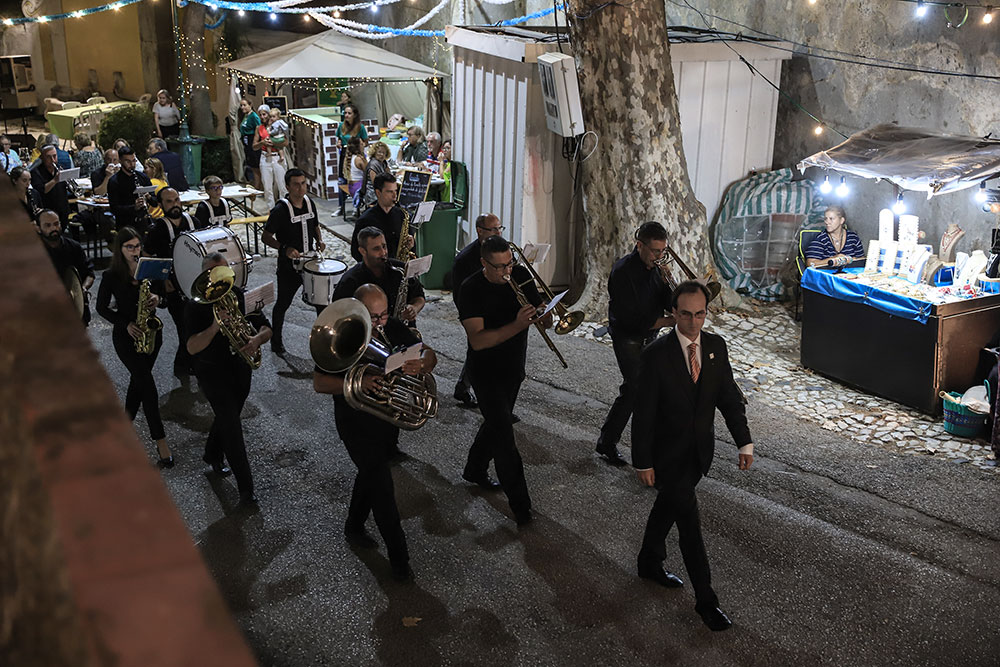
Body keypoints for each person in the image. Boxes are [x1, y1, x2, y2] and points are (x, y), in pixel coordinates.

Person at [632, 280, 753, 632]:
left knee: (667, 508)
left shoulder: (716, 347)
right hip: (666, 457)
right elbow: (643, 413)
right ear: (673, 313)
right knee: (689, 526)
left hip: (699, 454)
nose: (693, 322)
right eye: (686, 314)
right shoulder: (655, 355)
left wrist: (744, 442)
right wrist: (643, 461)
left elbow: (728, 398)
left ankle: (648, 561)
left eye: (700, 314)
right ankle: (706, 602)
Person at [313, 283, 437, 581]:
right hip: (354, 422)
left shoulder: (391, 327)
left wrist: (421, 364)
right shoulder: (343, 335)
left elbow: (429, 353)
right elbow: (319, 383)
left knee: (370, 474)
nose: (380, 322)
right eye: (373, 316)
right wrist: (354, 384)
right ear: (358, 313)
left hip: (385, 420)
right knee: (382, 487)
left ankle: (354, 526)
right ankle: (399, 560)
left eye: (383, 315)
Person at [457, 235, 553, 525]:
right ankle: (521, 506)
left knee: (495, 424)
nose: (506, 272)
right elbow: (479, 340)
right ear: (484, 263)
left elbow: (542, 317)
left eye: (508, 264)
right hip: (485, 372)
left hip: (513, 367)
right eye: (498, 267)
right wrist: (517, 324)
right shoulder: (470, 289)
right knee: (504, 438)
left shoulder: (520, 275)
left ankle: (474, 469)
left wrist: (544, 314)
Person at [186, 252, 272, 505]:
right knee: (232, 425)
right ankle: (246, 489)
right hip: (211, 370)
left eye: (225, 274)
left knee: (228, 416)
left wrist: (256, 340)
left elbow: (266, 328)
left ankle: (212, 453)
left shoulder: (241, 295)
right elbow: (191, 347)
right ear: (205, 276)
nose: (222, 281)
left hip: (239, 367)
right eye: (215, 275)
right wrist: (215, 326)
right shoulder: (194, 305)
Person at [597, 221, 676, 466]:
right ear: (639, 245)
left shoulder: (656, 268)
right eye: (655, 251)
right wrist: (666, 321)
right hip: (628, 337)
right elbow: (632, 318)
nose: (660, 256)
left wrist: (671, 284)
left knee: (635, 392)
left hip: (649, 338)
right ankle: (635, 451)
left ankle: (608, 442)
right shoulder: (623, 271)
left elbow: (666, 301)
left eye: (663, 251)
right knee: (638, 391)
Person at [95, 226, 174, 467]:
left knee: (138, 383)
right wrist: (126, 323)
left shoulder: (150, 269)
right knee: (146, 385)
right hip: (126, 336)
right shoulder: (111, 275)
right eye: (129, 247)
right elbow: (101, 308)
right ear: (120, 249)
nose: (135, 251)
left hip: (150, 334)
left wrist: (158, 299)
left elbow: (168, 298)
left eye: (137, 246)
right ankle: (160, 442)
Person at [261, 168, 326, 354]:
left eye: (303, 183)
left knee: (321, 302)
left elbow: (315, 225)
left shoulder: (309, 203)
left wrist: (319, 240)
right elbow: (265, 237)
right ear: (288, 187)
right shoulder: (280, 210)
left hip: (310, 262)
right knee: (283, 303)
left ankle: (322, 341)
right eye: (296, 185)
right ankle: (276, 342)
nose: (301, 188)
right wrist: (284, 249)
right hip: (288, 266)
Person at [144, 187, 202, 375]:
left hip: (195, 284)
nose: (175, 204)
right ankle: (184, 365)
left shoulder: (194, 222)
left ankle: (187, 362)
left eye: (176, 200)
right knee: (183, 327)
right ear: (160, 205)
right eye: (169, 201)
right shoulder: (157, 229)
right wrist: (162, 282)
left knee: (195, 325)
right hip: (173, 288)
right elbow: (147, 259)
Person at [450, 213, 506, 408]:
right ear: (480, 231)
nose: (499, 233)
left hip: (498, 311)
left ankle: (469, 389)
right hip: (477, 314)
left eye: (500, 228)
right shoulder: (464, 259)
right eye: (494, 229)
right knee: (479, 351)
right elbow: (459, 295)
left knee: (487, 353)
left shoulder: (501, 251)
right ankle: (478, 395)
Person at [333, 226, 426, 327]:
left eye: (384, 246)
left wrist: (414, 308)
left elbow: (419, 296)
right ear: (362, 251)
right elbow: (339, 316)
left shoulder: (400, 269)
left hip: (404, 332)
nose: (383, 253)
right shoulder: (350, 281)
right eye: (376, 249)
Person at [36, 208, 95, 324]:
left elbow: (90, 273)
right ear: (38, 228)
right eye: (47, 225)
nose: (53, 228)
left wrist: (83, 289)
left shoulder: (74, 247)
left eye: (56, 224)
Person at [350, 173, 410, 262]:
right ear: (378, 193)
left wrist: (410, 245)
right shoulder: (365, 220)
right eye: (390, 192)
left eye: (395, 191)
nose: (395, 196)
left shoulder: (402, 215)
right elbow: (356, 252)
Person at [107, 146, 153, 231]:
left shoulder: (142, 177)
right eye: (128, 161)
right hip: (125, 225)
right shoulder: (114, 181)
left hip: (143, 221)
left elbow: (155, 202)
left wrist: (148, 197)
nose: (132, 165)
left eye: (133, 161)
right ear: (120, 161)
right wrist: (133, 207)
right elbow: (114, 209)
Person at [335, 103, 368, 217]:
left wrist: (360, 146)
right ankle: (341, 207)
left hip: (356, 153)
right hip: (345, 153)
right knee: (342, 179)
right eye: (345, 113)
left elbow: (365, 141)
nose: (347, 115)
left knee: (358, 176)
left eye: (349, 113)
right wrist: (339, 143)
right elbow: (339, 138)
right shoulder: (341, 126)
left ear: (355, 115)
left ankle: (357, 205)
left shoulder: (360, 127)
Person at [254, 105, 287, 211]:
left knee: (282, 185)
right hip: (265, 157)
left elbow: (286, 142)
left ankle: (283, 209)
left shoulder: (278, 125)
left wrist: (276, 142)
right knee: (267, 186)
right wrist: (262, 142)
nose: (262, 117)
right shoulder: (259, 128)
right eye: (260, 115)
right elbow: (254, 146)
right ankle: (271, 209)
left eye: (264, 114)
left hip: (277, 156)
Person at [30, 145, 72, 227]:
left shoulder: (59, 168)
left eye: (54, 156)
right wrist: (55, 180)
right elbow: (42, 190)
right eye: (49, 157)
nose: (53, 160)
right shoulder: (36, 172)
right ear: (42, 158)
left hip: (63, 209)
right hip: (48, 209)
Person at [237, 98, 262, 190]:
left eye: (244, 105)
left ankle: (258, 186)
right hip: (246, 141)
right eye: (241, 105)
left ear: (250, 105)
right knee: (251, 164)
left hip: (252, 139)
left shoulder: (253, 116)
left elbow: (258, 127)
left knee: (256, 165)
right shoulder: (246, 116)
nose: (242, 107)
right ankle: (255, 183)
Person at [361, 142, 391, 211]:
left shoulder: (382, 163)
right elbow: (376, 184)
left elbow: (389, 175)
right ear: (374, 153)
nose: (382, 155)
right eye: (379, 152)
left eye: (384, 153)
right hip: (373, 196)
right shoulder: (373, 165)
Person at [345, 136, 367, 214]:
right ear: (357, 147)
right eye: (361, 144)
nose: (364, 145)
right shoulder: (359, 159)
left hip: (352, 187)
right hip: (358, 188)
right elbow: (368, 172)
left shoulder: (350, 157)